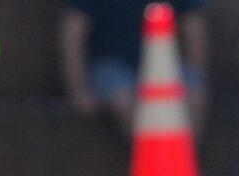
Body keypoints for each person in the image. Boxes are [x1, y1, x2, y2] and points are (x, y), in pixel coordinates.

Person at [60, 0, 208, 137]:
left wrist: (197, 73)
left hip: (166, 66)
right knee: (122, 98)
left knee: (195, 94)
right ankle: (150, 158)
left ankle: (184, 158)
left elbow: (193, 26)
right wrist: (78, 89)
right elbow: (73, 33)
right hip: (112, 66)